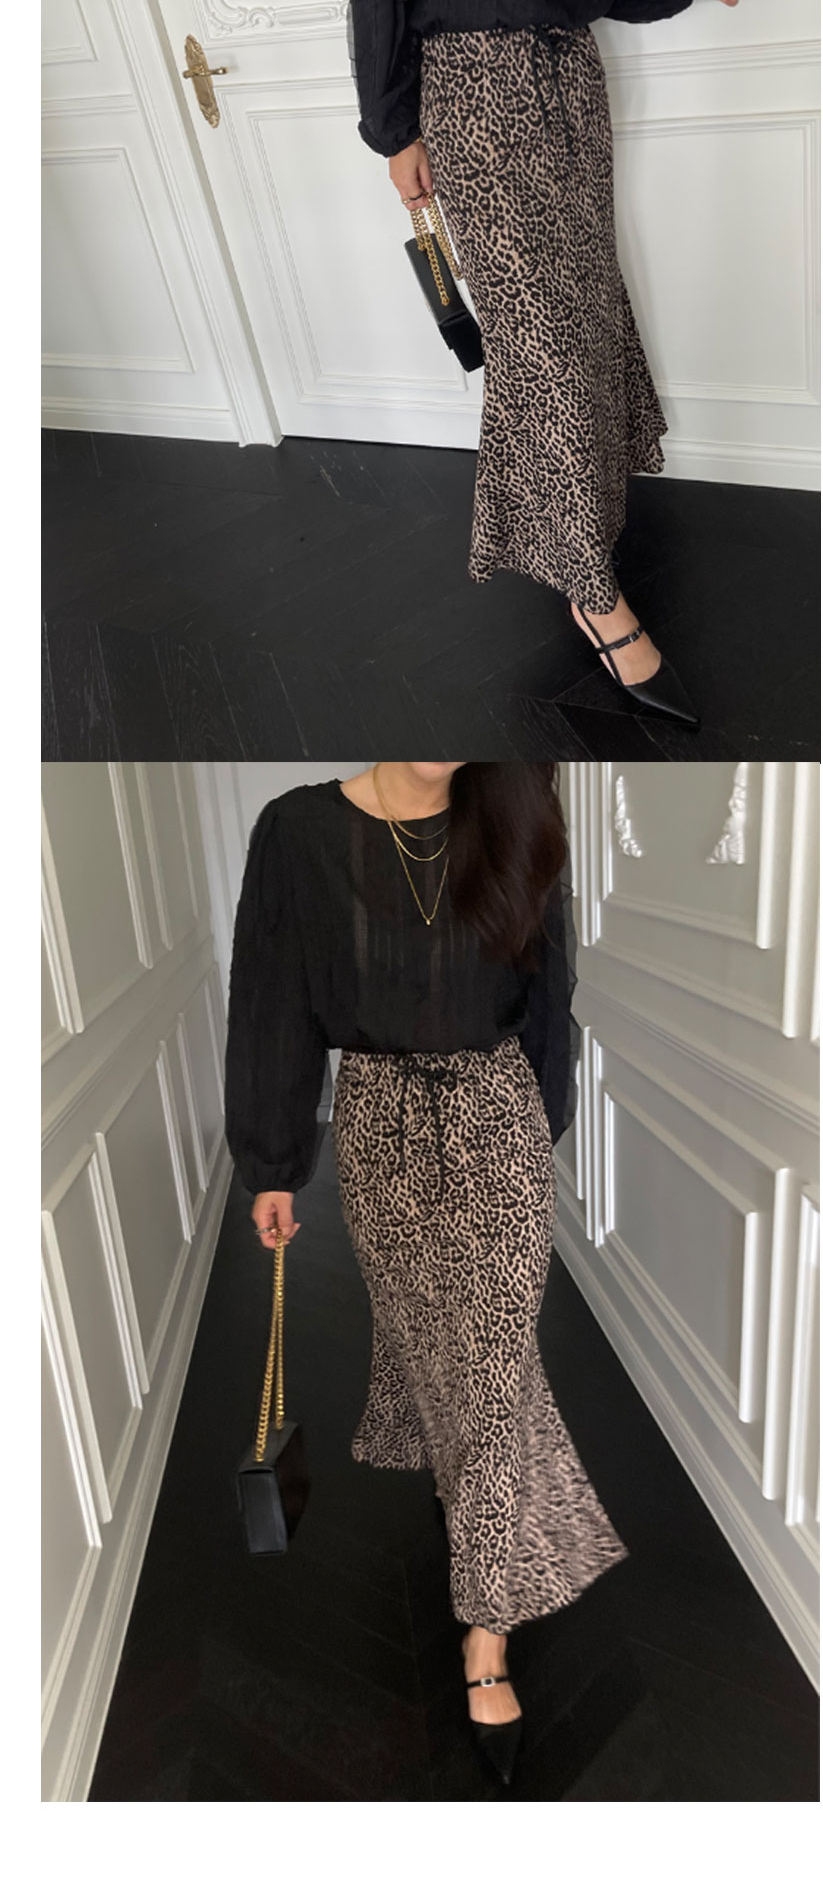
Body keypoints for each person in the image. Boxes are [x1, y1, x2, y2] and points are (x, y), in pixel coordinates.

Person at [344, 0, 760, 735]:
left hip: (572, 84)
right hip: (470, 97)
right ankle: (590, 589)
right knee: (540, 349)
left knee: (580, 316)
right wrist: (394, 125)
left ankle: (575, 515)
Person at [224, 760, 623, 1789]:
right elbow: (271, 997)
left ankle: (486, 1632)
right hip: (380, 1127)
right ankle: (463, 1482)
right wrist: (274, 1163)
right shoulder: (299, 833)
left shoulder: (519, 807)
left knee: (493, 1368)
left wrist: (532, 1134)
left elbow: (551, 988)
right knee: (427, 1338)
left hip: (495, 1120)